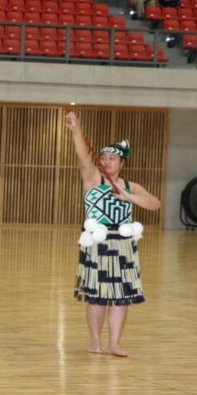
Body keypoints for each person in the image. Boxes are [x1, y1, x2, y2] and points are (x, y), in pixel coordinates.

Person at [66, 111, 161, 357]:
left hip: (123, 245)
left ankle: (115, 343)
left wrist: (128, 196)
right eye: (104, 157)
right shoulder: (93, 180)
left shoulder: (131, 186)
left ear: (122, 163)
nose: (107, 161)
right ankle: (95, 341)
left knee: (120, 297)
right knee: (97, 297)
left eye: (112, 158)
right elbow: (83, 157)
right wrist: (77, 131)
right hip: (97, 243)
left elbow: (155, 204)